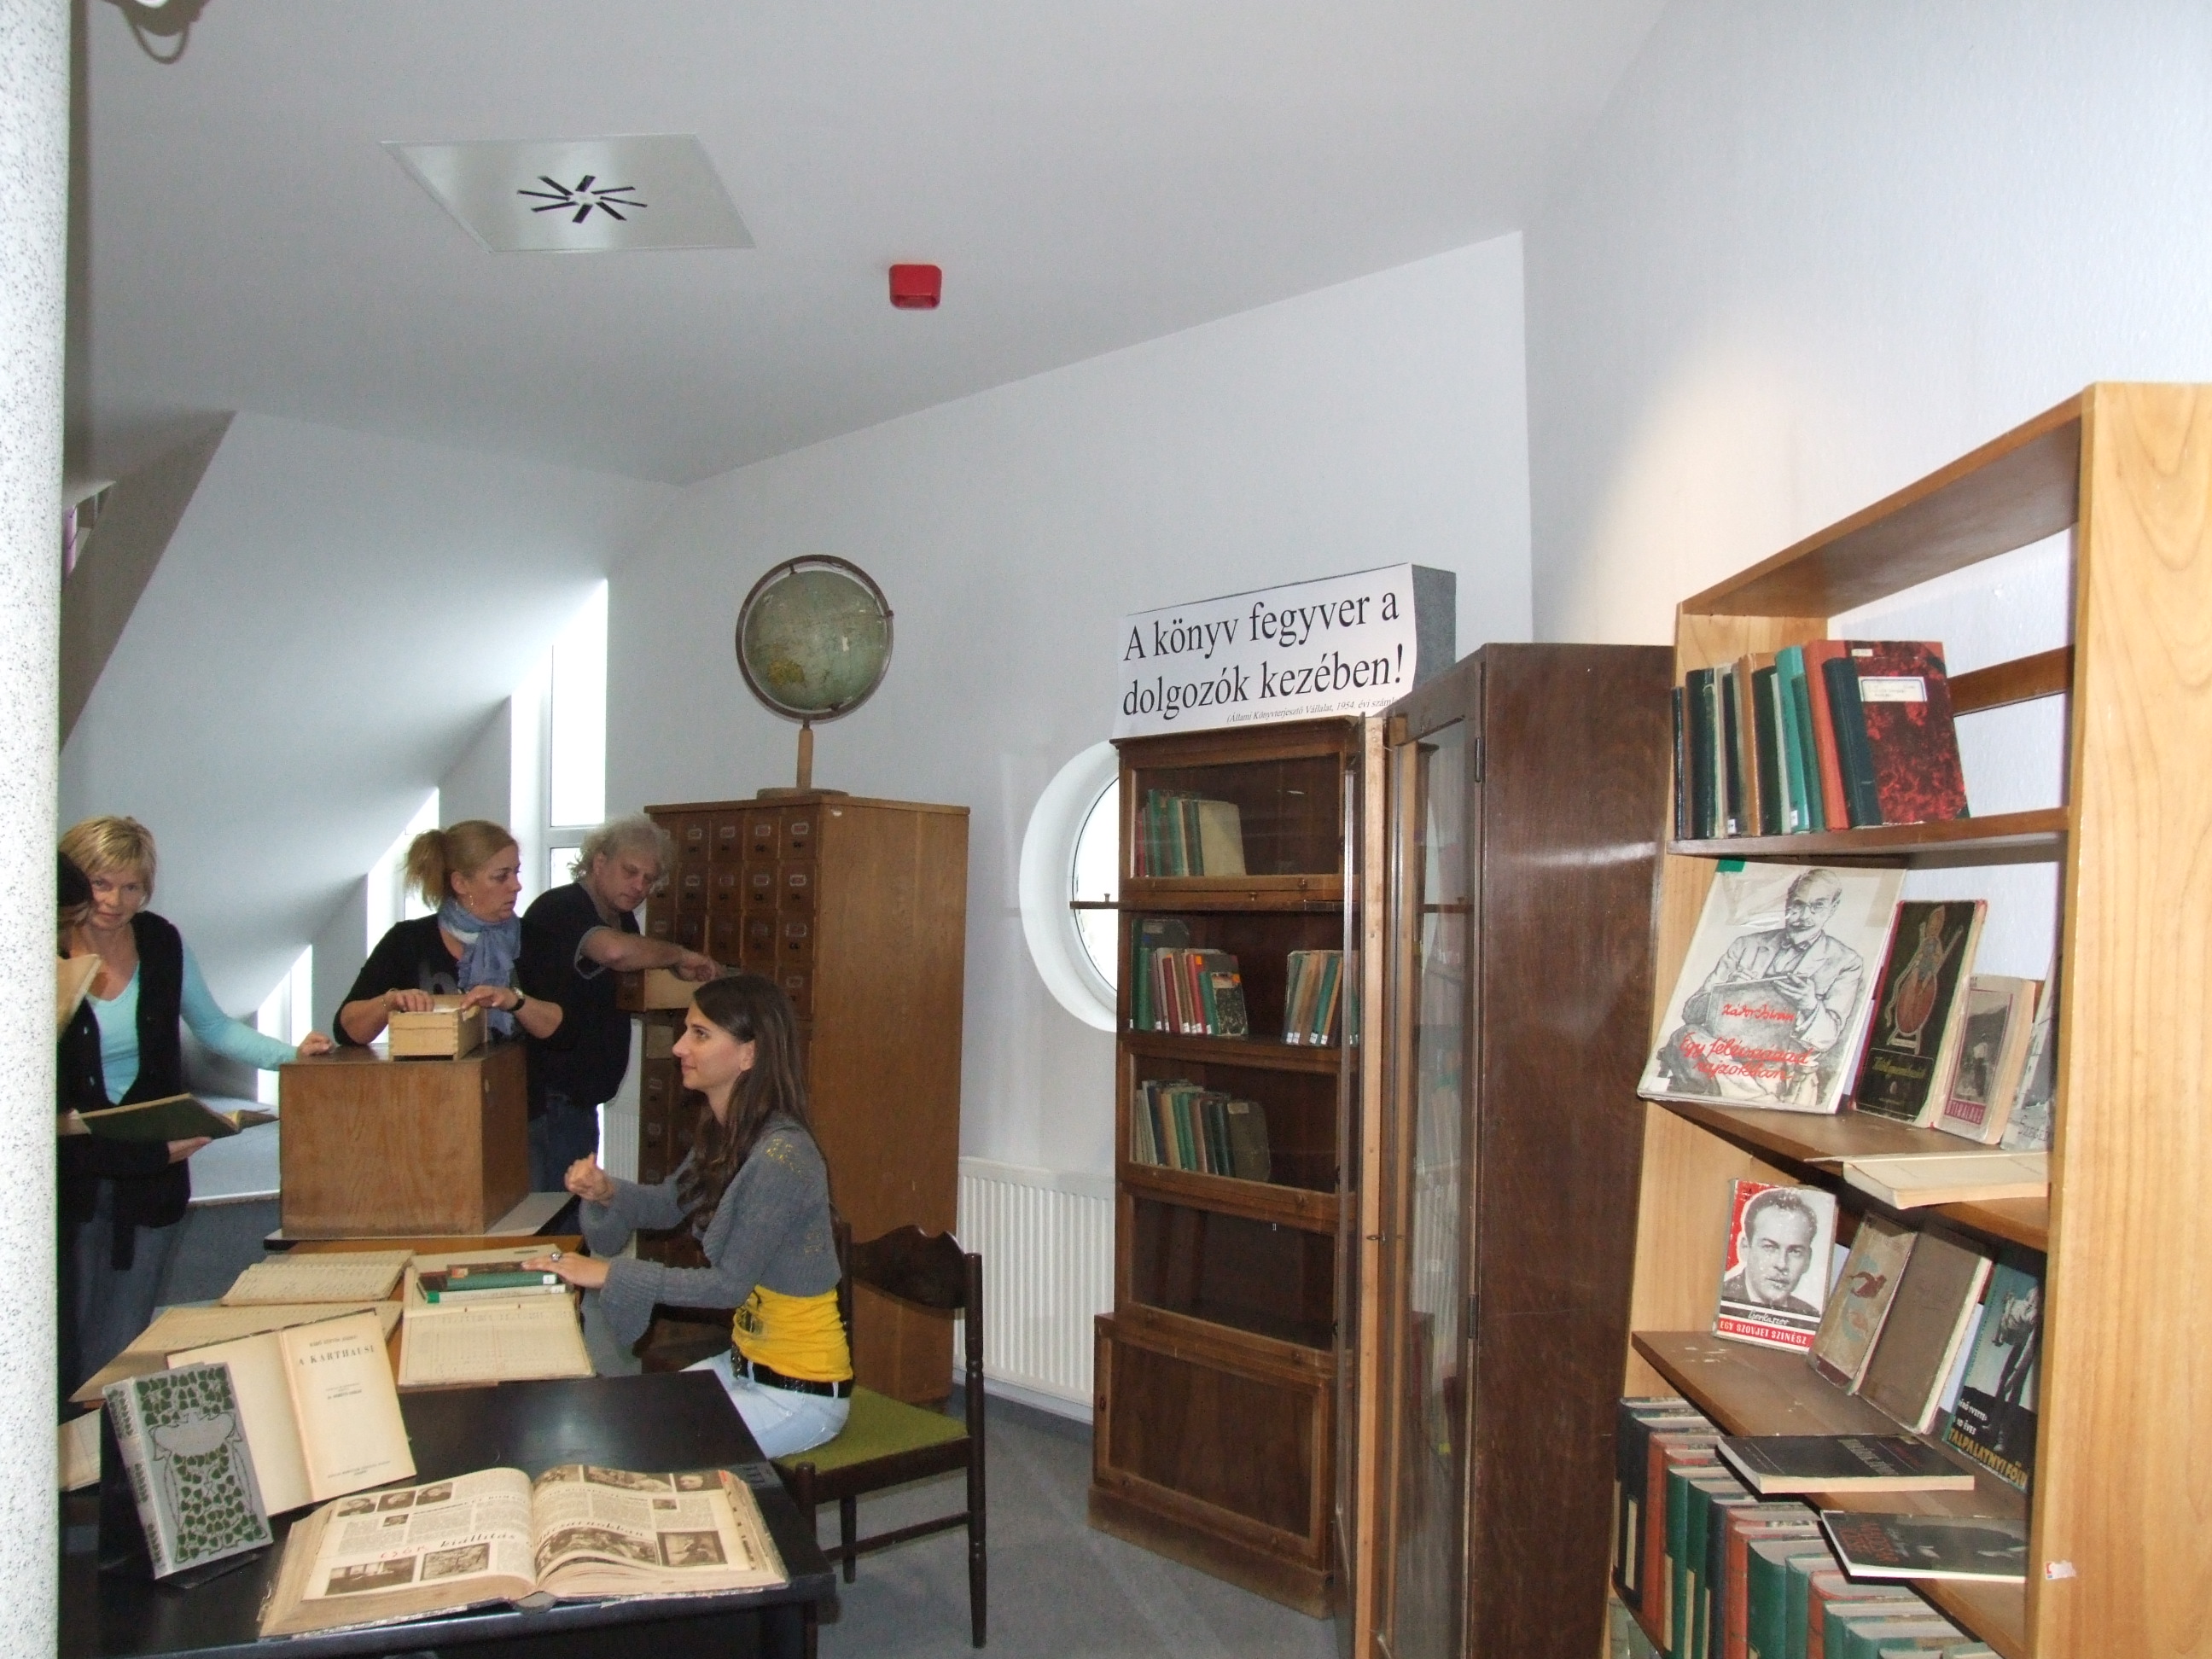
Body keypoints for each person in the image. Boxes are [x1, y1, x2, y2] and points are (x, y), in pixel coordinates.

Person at [56, 818, 335, 1389]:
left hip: (154, 1167)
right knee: (61, 1339)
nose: (113, 901)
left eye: (131, 887)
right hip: (69, 1172)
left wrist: (292, 1057)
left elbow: (214, 1028)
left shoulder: (160, 941)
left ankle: (108, 1439)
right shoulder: (35, 944)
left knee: (124, 1344)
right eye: (100, 883)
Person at [526, 975, 851, 1458]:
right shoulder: (726, 1135)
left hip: (800, 1395)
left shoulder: (783, 1156)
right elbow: (665, 1205)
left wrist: (610, 1274)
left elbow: (727, 1287)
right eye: (685, 1031)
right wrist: (607, 1191)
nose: (679, 1047)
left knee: (640, 1448)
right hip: (744, 1369)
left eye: (700, 1034)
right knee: (623, 1422)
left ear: (749, 1054)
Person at [517, 815, 718, 1190]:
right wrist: (678, 955)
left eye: (649, 879)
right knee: (557, 1209)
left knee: (577, 1202)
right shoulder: (561, 907)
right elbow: (614, 952)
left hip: (582, 1098)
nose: (640, 886)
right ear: (599, 862)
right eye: (631, 872)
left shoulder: (622, 919)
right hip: (552, 1098)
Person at [335, 821, 562, 1046]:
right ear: (460, 883)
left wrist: (514, 1000)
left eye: (516, 872)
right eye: (501, 877)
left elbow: (565, 1033)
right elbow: (347, 1032)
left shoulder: (534, 939)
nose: (516, 885)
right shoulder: (407, 940)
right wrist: (390, 1001)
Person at [1658, 868, 1868, 1105]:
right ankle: (1751, 1097)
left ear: (1833, 907)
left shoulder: (1846, 962)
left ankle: (1733, 1092)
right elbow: (1691, 1013)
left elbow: (1826, 1039)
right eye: (1798, 905)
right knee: (1687, 1037)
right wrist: (1725, 992)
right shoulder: (1746, 946)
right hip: (1722, 1050)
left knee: (1704, 1067)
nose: (1804, 917)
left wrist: (1810, 1005)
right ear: (1787, 903)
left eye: (1817, 906)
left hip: (1775, 1064)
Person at [1718, 1186, 1820, 1314]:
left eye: (1795, 1252)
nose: (1782, 1264)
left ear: (1808, 1260)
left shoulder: (1810, 1315)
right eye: (1769, 1247)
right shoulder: (1717, 1301)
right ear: (1745, 1248)